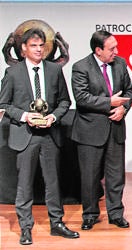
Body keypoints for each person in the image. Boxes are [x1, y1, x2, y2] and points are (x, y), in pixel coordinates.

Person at [1, 28, 78, 245]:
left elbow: (65, 101)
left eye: (41, 46)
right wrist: (25, 116)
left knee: (53, 182)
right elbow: (4, 104)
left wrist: (53, 117)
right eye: (33, 46)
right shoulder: (12, 73)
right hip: (25, 135)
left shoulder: (54, 70)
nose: (38, 49)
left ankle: (57, 224)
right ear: (24, 49)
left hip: (50, 135)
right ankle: (26, 228)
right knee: (24, 184)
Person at [71, 30, 132, 231]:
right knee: (90, 177)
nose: (116, 51)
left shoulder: (121, 63)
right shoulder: (80, 67)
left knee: (116, 176)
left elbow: (129, 91)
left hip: (115, 129)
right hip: (90, 131)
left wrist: (123, 108)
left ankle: (116, 214)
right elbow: (81, 97)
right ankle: (89, 214)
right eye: (111, 48)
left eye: (116, 47)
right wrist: (109, 102)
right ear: (98, 50)